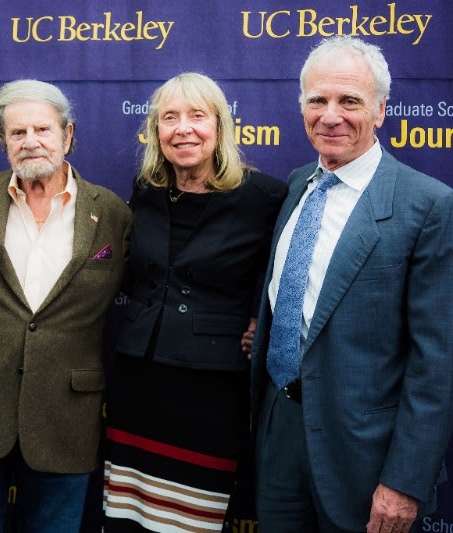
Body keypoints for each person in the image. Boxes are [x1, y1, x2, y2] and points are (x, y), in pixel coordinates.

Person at [251, 36, 453, 533]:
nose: (330, 115)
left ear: (381, 110)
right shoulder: (297, 184)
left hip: (365, 458)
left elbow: (438, 359)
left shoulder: (428, 206)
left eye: (350, 101)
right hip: (278, 436)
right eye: (317, 100)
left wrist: (405, 480)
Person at [0, 79, 131, 532]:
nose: (30, 142)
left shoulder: (113, 212)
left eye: (42, 130)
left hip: (68, 417)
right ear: (2, 140)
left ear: (67, 135)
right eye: (17, 132)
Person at [101, 73, 286, 531]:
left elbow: (295, 274)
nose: (183, 129)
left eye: (197, 116)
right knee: (126, 515)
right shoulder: (144, 192)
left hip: (210, 390)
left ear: (220, 126)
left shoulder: (264, 197)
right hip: (136, 383)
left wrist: (261, 321)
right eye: (169, 118)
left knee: (189, 520)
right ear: (156, 131)